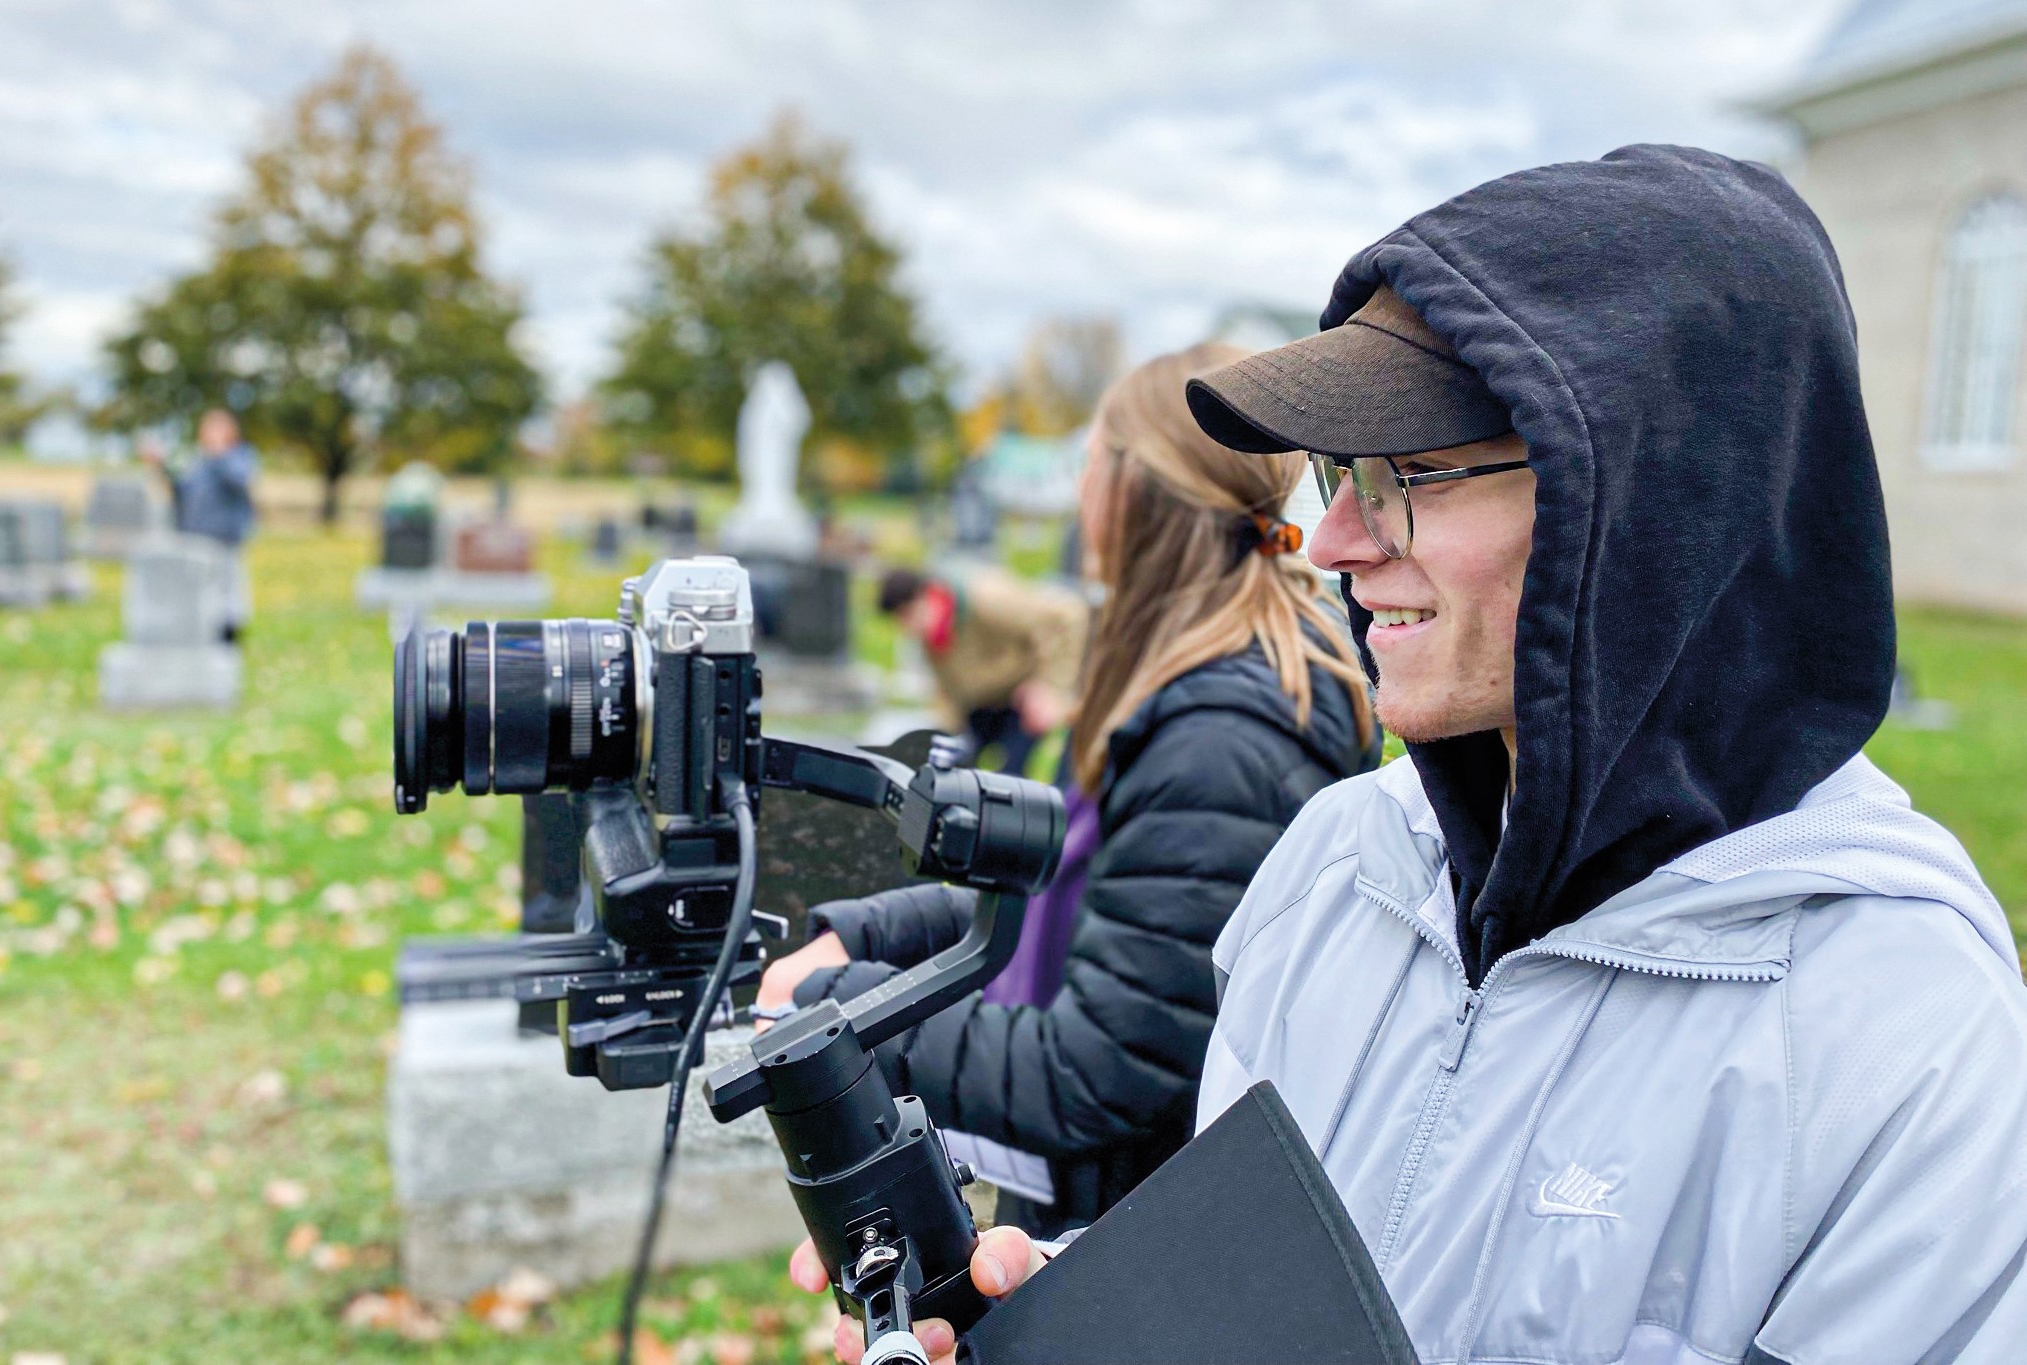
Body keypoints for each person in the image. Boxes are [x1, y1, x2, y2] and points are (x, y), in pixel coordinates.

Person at [798, 145, 2027, 1365]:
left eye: (1411, 476)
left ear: (1655, 505)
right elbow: (1263, 1314)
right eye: (1342, 476)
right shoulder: (1341, 866)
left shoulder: (1904, 1039)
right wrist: (1046, 1320)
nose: (1330, 539)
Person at [760, 342, 1380, 1244]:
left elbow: (1098, 1074)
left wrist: (846, 1010)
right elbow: (1088, 895)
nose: (1079, 487)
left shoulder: (1224, 740)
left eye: (1091, 459)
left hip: (1146, 1244)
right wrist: (868, 934)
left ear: (1134, 489)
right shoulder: (1201, 683)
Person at [875, 564, 1085, 775]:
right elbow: (948, 693)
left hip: (1021, 697)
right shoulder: (930, 636)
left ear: (924, 596)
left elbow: (1065, 616)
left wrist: (1050, 687)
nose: (908, 627)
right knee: (956, 777)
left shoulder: (987, 600)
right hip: (982, 708)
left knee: (1010, 779)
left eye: (909, 614)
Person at [142, 408, 257, 644]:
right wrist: (159, 466)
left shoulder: (240, 456)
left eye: (218, 427)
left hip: (225, 539)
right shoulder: (197, 461)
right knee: (199, 594)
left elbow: (240, 480)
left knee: (228, 593)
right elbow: (181, 493)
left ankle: (229, 637)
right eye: (208, 428)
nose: (211, 433)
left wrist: (219, 454)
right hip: (195, 539)